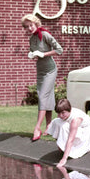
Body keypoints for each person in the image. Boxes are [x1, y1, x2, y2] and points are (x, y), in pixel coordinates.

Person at [21, 14, 63, 142]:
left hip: (50, 70)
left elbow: (59, 50)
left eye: (31, 25)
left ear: (36, 24)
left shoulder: (45, 35)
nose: (29, 28)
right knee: (47, 97)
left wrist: (43, 54)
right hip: (40, 70)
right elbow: (35, 53)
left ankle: (37, 128)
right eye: (26, 26)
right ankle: (49, 126)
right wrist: (32, 54)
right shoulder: (32, 39)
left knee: (42, 96)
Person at [45, 98, 90, 167]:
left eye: (63, 113)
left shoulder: (75, 120)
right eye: (59, 113)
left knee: (64, 126)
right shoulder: (65, 114)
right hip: (78, 129)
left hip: (88, 134)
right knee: (57, 121)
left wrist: (64, 159)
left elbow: (71, 139)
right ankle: (63, 146)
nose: (60, 115)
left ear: (69, 110)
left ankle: (72, 149)